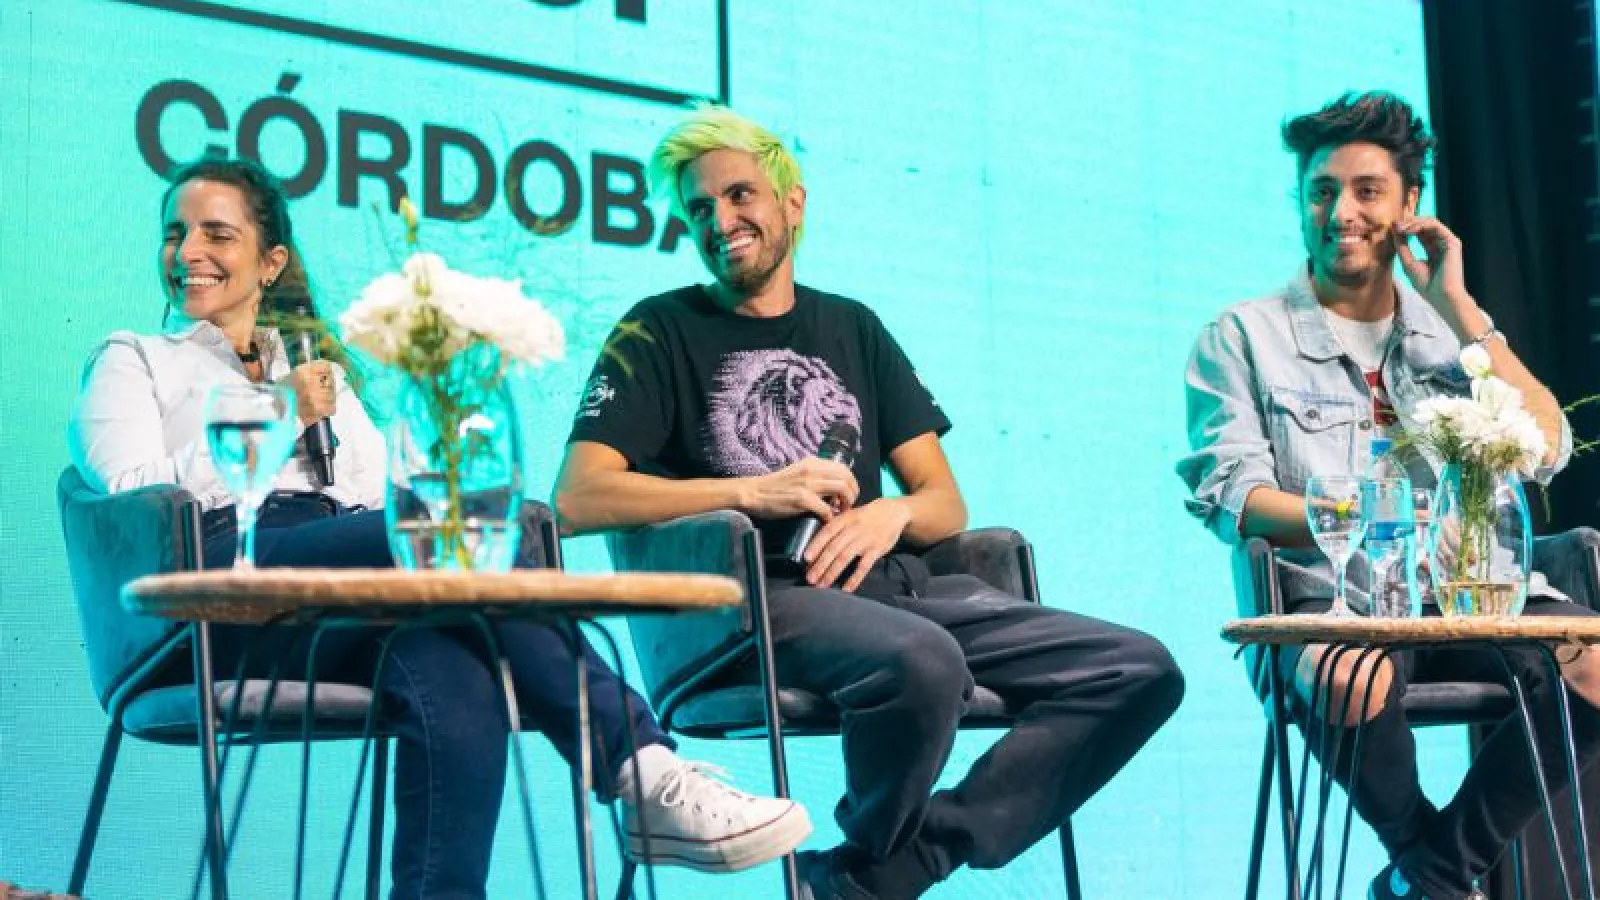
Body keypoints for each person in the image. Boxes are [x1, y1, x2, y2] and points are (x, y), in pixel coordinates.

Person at [67, 157, 811, 899]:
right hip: (211, 585)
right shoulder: (135, 359)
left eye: (216, 234)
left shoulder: (319, 372)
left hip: (342, 584)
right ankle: (642, 770)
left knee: (456, 662)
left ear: (271, 263)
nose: (188, 251)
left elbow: (375, 498)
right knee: (455, 533)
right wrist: (277, 411)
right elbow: (135, 492)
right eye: (175, 233)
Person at [554, 106, 1186, 900]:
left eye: (739, 195)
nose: (719, 221)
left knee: (1137, 669)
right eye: (698, 209)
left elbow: (943, 502)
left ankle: (890, 868)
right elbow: (577, 497)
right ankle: (875, 875)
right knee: (923, 662)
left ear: (792, 203)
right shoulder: (657, 329)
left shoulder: (854, 325)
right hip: (751, 608)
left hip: (895, 593)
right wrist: (753, 491)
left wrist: (893, 514)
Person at [1177, 91, 1600, 900]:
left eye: (1367, 191)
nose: (1342, 212)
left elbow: (1548, 445)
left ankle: (1430, 875)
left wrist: (1459, 306)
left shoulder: (1450, 334)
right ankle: (1432, 869)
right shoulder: (1241, 336)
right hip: (1330, 596)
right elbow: (1234, 497)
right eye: (1321, 191)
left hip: (1471, 591)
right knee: (1350, 674)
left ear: (1409, 205)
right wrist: (1375, 520)